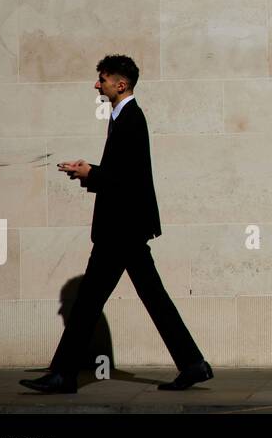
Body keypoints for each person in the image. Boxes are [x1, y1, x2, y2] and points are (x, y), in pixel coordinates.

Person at [20, 54, 213, 394]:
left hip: (120, 231)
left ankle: (63, 374)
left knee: (89, 302)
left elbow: (125, 181)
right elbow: (122, 175)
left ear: (120, 84)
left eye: (103, 79)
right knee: (146, 298)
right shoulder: (123, 118)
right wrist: (90, 169)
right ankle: (192, 364)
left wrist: (89, 173)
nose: (98, 84)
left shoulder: (131, 120)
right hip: (126, 230)